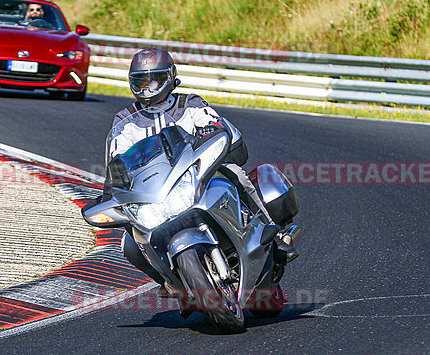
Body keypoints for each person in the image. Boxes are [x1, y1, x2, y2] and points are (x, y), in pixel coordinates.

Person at [107, 47, 297, 293]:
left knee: (236, 173)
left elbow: (215, 124)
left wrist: (213, 129)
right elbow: (115, 160)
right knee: (129, 241)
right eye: (141, 81)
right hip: (157, 191)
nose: (148, 87)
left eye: (155, 80)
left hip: (199, 174)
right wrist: (113, 183)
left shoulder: (190, 104)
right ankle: (166, 279)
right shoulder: (125, 120)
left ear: (170, 77)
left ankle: (271, 233)